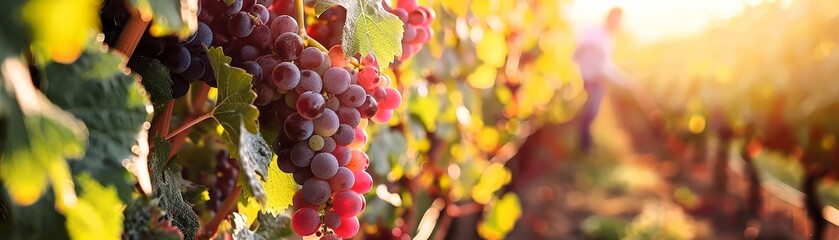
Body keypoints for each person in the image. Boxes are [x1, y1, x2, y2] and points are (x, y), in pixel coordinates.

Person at [573, 7, 626, 152]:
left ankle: (586, 143)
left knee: (592, 111)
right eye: (617, 19)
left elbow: (606, 64)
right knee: (589, 111)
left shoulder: (609, 38)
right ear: (610, 18)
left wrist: (622, 79)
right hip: (589, 78)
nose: (619, 23)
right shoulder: (595, 34)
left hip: (597, 79)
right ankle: (584, 145)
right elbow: (578, 52)